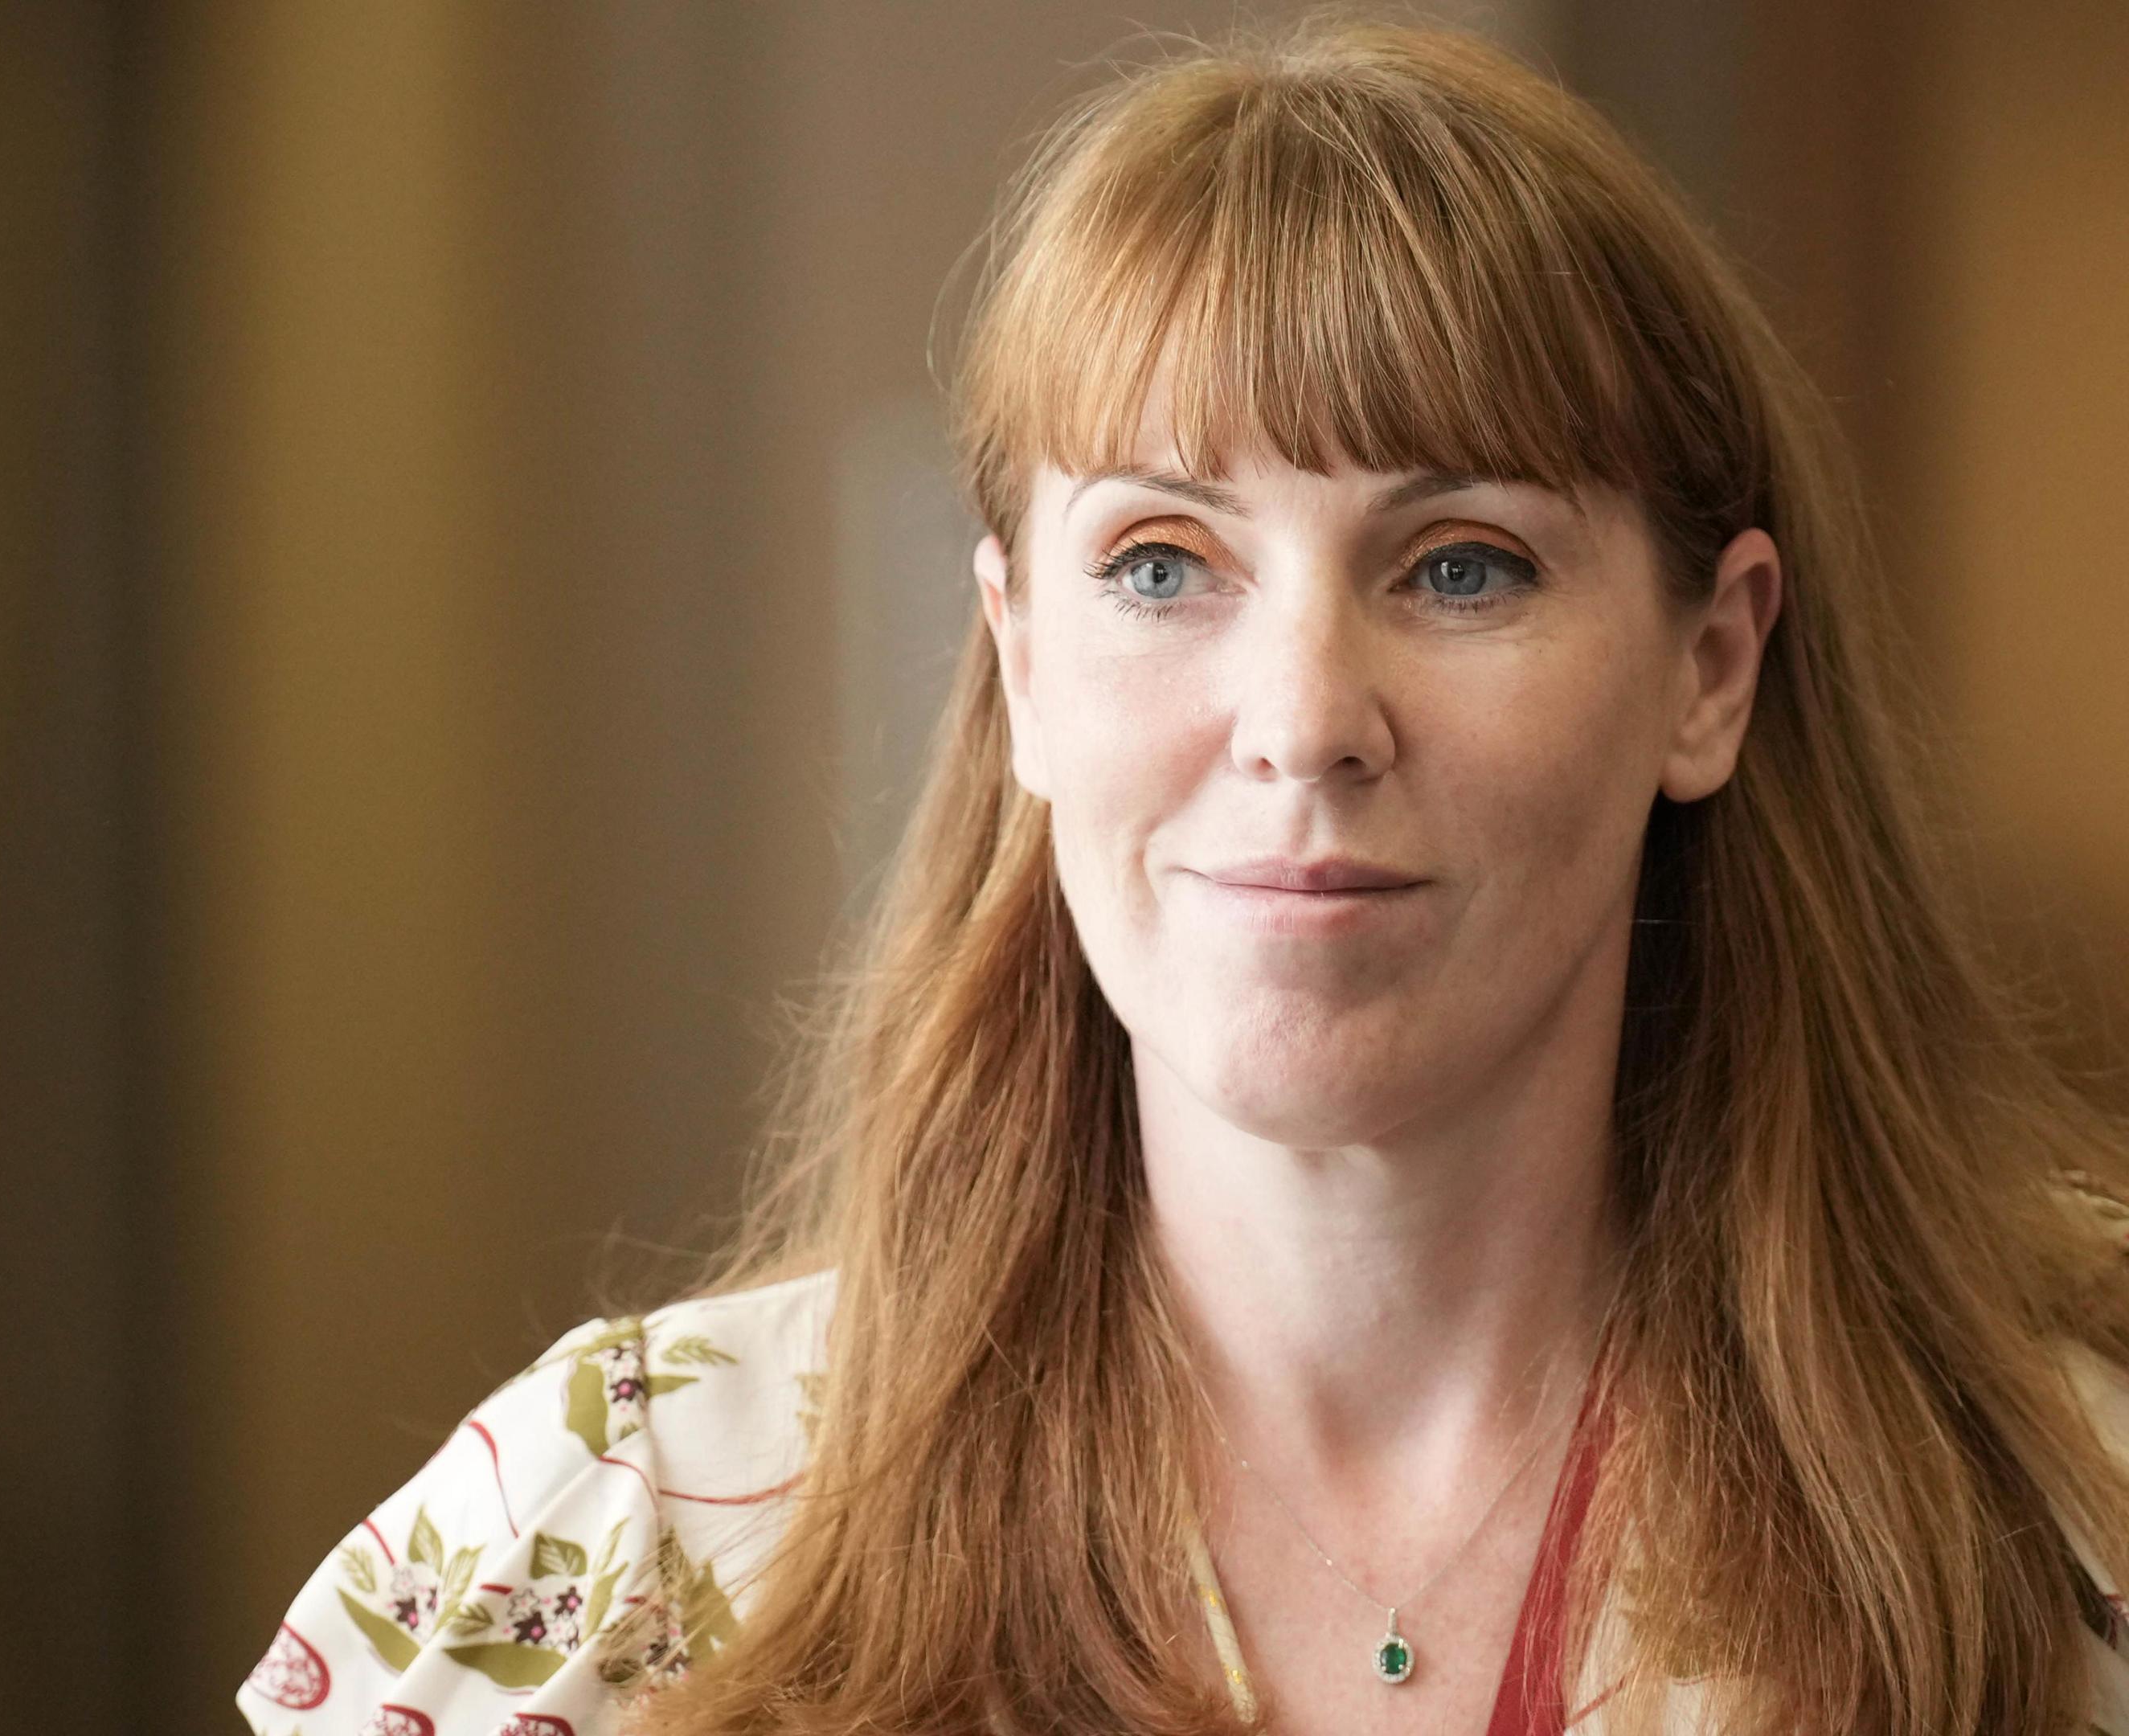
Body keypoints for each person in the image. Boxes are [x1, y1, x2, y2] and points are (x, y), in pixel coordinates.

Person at [234, 20, 2129, 1736]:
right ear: (1021, 665)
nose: (1304, 719)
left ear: (1710, 667)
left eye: (1460, 563)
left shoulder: (2075, 1517)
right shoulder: (600, 1552)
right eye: (1161, 562)